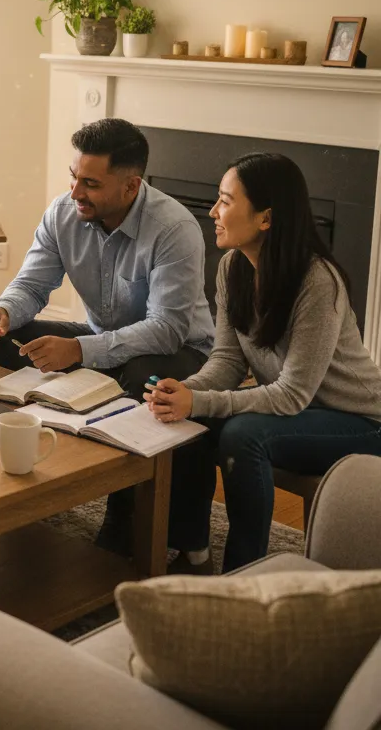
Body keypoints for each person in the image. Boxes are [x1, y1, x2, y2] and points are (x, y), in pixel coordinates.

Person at [0, 118, 215, 551]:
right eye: (73, 177)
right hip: (106, 337)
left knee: (143, 375)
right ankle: (22, 479)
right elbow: (31, 285)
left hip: (179, 351)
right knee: (11, 340)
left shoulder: (174, 229)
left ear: (130, 185)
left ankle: (123, 519)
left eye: (90, 183)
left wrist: (80, 351)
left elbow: (167, 329)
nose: (75, 192)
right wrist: (4, 311)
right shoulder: (63, 213)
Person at [147, 153, 381, 572]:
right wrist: (183, 391)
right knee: (187, 420)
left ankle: (243, 574)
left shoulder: (317, 281)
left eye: (225, 201)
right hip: (302, 411)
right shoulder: (233, 267)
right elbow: (226, 362)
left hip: (359, 421)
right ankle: (192, 551)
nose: (214, 212)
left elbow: (292, 395)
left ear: (266, 218)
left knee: (242, 434)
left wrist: (200, 402)